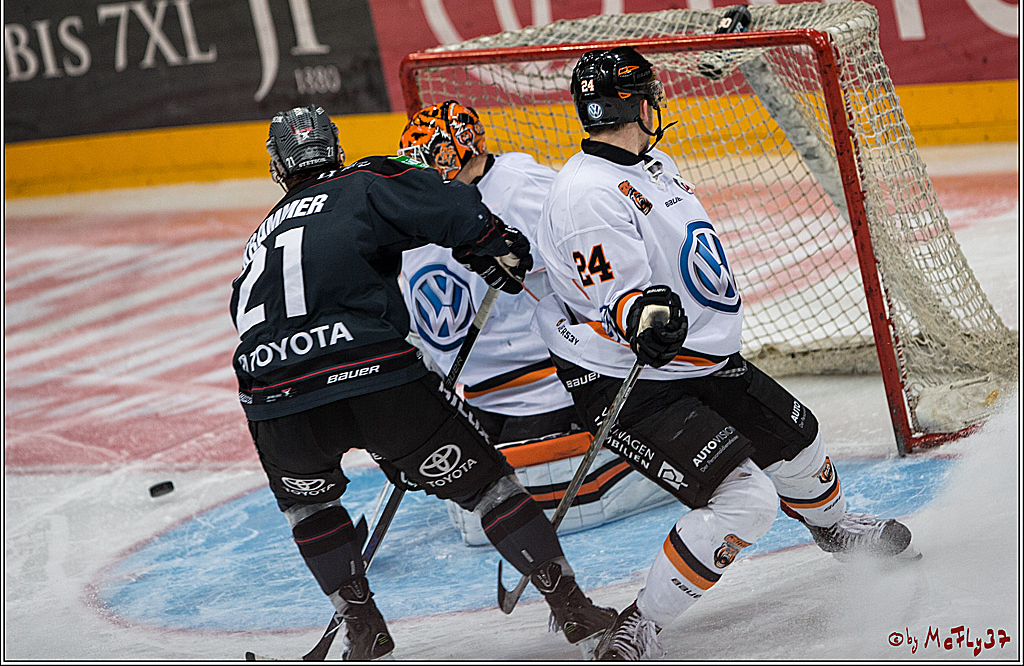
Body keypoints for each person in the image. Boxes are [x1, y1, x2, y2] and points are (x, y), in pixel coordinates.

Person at [531, 48, 920, 661]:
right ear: (636, 102)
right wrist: (640, 315)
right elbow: (620, 298)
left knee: (799, 441)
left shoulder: (652, 163)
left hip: (697, 359)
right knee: (746, 502)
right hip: (629, 381)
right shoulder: (587, 195)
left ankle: (834, 528)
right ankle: (640, 623)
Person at [230, 104, 616, 660]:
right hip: (373, 372)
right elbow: (444, 198)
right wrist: (490, 242)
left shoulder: (261, 236)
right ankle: (574, 610)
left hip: (272, 394)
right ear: (333, 149)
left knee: (309, 508)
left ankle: (361, 626)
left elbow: (243, 309)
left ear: (277, 167)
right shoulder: (361, 181)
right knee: (488, 489)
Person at [396, 100, 676, 546]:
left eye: (441, 159)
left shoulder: (524, 185)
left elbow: (593, 254)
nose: (432, 173)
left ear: (467, 148)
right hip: (474, 392)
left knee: (509, 502)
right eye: (423, 164)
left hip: (544, 383)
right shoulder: (419, 206)